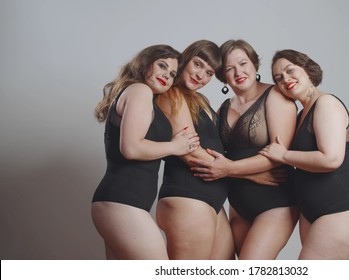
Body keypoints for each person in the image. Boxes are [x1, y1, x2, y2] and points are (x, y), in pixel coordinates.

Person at [190, 39, 299, 259]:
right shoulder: (222, 108)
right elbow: (218, 154)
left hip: (276, 202)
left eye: (243, 63)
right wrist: (250, 174)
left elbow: (279, 154)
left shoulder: (276, 96)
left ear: (254, 64)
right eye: (230, 68)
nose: (238, 72)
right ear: (223, 76)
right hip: (237, 206)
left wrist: (229, 169)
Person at [260, 49, 349, 259]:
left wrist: (284, 155)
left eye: (290, 70)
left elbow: (331, 159)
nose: (286, 79)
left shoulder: (326, 103)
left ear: (307, 70)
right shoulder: (303, 112)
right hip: (312, 211)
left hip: (341, 209)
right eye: (278, 78)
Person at [91, 44, 200, 259]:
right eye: (161, 65)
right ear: (145, 63)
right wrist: (174, 146)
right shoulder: (140, 90)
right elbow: (131, 148)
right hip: (122, 203)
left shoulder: (142, 95)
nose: (166, 75)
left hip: (118, 203)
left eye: (172, 74)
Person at [155, 40, 234, 260]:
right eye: (197, 64)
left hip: (212, 203)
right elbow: (191, 152)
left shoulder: (201, 100)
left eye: (209, 72)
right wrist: (243, 171)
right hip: (187, 198)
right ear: (185, 59)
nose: (201, 76)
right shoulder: (172, 94)